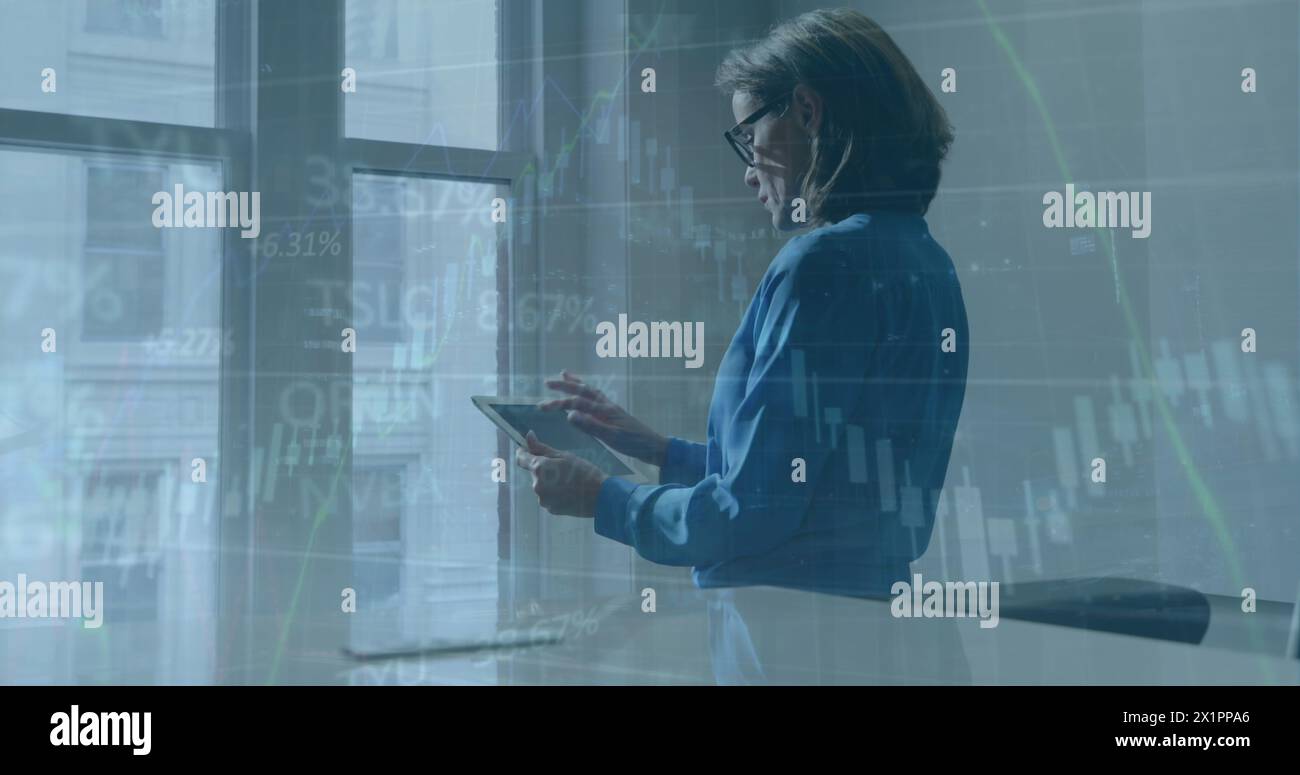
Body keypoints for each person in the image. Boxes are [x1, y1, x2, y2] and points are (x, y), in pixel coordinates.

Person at [515, 8, 968, 598]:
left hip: (787, 634)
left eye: (750, 137)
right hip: (868, 623)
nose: (749, 172)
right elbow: (808, 485)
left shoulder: (820, 265)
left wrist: (603, 498)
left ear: (808, 111)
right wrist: (657, 450)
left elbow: (750, 513)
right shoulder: (929, 264)